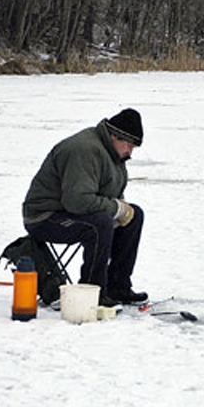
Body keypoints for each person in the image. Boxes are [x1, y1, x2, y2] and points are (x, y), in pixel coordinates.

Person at [22, 108, 148, 307]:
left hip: (73, 211)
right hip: (44, 216)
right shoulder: (85, 150)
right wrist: (115, 209)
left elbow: (108, 191)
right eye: (128, 145)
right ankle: (92, 291)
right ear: (114, 136)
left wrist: (120, 209)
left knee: (135, 215)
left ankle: (118, 286)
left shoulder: (112, 152)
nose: (129, 152)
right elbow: (77, 200)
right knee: (99, 224)